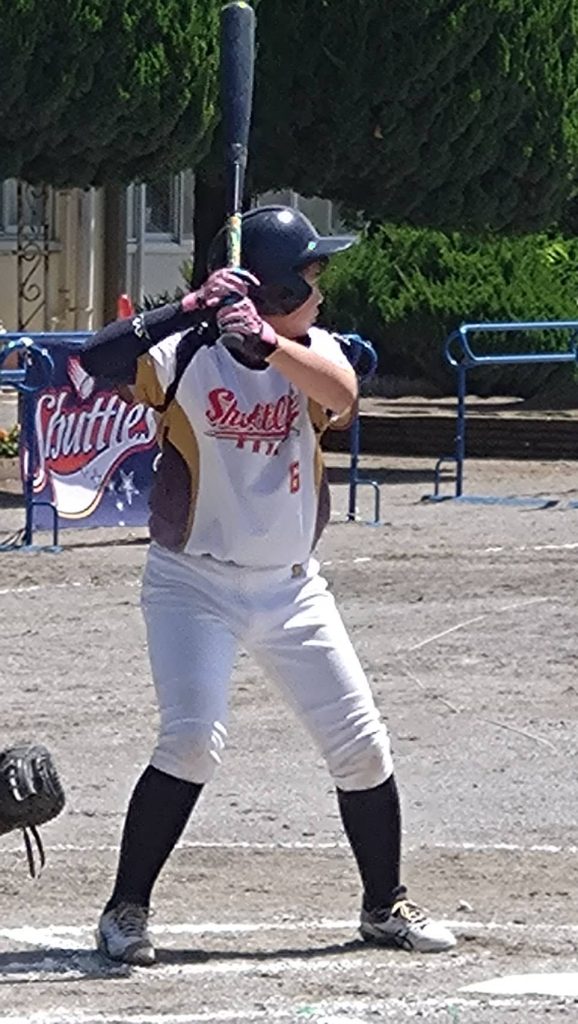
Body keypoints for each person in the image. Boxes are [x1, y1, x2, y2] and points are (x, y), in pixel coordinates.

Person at [80, 205, 456, 966]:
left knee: (362, 747)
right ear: (277, 286)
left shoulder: (313, 351)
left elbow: (342, 395)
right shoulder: (186, 353)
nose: (321, 293)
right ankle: (125, 910)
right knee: (191, 742)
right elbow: (96, 362)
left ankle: (384, 905)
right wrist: (190, 308)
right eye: (309, 279)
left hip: (291, 589)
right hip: (192, 584)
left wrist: (268, 342)